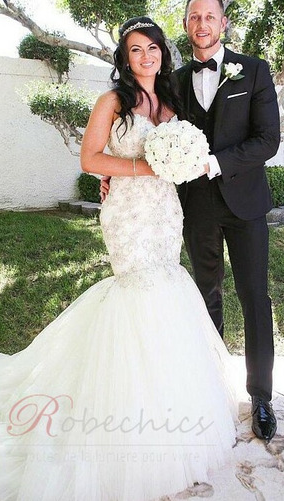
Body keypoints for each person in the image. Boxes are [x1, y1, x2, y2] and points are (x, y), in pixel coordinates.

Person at [0, 17, 237, 501]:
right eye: (135, 50)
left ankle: (171, 413)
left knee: (167, 289)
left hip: (164, 212)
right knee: (137, 292)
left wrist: (179, 164)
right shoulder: (112, 102)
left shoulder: (173, 102)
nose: (146, 56)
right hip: (128, 213)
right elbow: (89, 159)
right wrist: (138, 168)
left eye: (153, 48)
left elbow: (184, 156)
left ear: (163, 53)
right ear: (124, 59)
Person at [172, 0, 280, 440]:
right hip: (196, 207)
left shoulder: (252, 70)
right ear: (185, 24)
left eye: (209, 16)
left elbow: (268, 140)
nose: (202, 24)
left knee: (254, 297)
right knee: (205, 295)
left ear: (223, 22)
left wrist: (216, 163)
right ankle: (213, 390)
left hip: (246, 203)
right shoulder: (173, 81)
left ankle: (261, 398)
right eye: (194, 17)